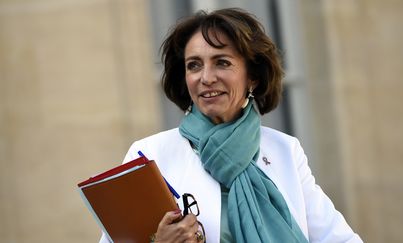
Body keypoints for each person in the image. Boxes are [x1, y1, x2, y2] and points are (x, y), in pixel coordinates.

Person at [100, 8, 362, 243]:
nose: (206, 77)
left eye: (222, 62)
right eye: (194, 65)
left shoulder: (285, 150)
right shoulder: (149, 155)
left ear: (253, 78)